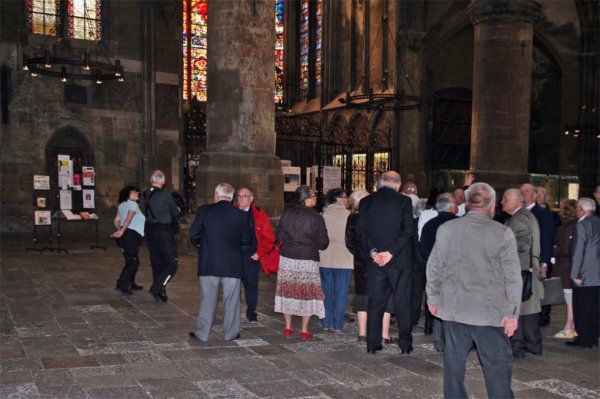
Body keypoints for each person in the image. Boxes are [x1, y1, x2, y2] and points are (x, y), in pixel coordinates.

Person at [426, 182, 521, 398]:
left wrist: (433, 296)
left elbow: (434, 267)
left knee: (454, 363)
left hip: (453, 308)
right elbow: (512, 277)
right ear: (493, 205)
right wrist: (511, 312)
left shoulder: (447, 229)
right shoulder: (502, 233)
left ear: (466, 204)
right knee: (496, 363)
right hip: (487, 312)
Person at [357, 171, 415, 354]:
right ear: (398, 185)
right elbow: (408, 230)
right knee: (402, 302)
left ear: (381, 183)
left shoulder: (366, 202)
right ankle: (405, 344)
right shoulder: (404, 201)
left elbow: (360, 232)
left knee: (375, 303)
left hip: (375, 262)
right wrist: (390, 252)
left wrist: (374, 252)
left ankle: (373, 344)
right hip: (398, 260)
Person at [188, 183, 254, 341]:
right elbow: (246, 240)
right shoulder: (240, 215)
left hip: (209, 262)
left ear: (216, 195)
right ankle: (230, 333)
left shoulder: (205, 211)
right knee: (231, 301)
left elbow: (193, 233)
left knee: (207, 299)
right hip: (232, 264)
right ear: (231, 198)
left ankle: (202, 333)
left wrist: (203, 243)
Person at [275, 185, 329, 341]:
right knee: (307, 293)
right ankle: (304, 330)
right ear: (306, 199)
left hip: (288, 259)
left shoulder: (287, 214)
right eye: (314, 195)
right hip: (307, 260)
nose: (316, 198)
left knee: (287, 291)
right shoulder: (316, 218)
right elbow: (323, 243)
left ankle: (287, 327)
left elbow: (279, 236)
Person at [345, 189, 397, 344]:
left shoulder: (352, 218)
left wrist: (361, 255)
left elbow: (349, 242)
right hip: (379, 261)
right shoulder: (376, 216)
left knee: (363, 296)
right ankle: (384, 334)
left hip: (362, 263)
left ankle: (362, 334)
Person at [502, 188, 543, 358]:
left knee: (517, 309)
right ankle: (532, 345)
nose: (502, 202)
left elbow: (523, 245)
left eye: (505, 199)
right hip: (527, 269)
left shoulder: (518, 219)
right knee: (528, 310)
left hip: (521, 270)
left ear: (515, 201)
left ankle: (518, 346)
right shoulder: (525, 216)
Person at [419, 193, 458, 352]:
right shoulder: (458, 224)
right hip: (455, 270)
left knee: (435, 301)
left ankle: (436, 336)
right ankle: (452, 340)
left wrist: (433, 262)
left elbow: (423, 248)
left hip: (434, 269)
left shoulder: (429, 224)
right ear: (451, 207)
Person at [236, 187, 278, 322]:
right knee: (233, 286)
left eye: (244, 196)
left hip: (251, 256)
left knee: (251, 285)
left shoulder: (259, 215)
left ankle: (251, 312)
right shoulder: (232, 212)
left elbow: (269, 238)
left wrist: (259, 253)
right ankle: (232, 312)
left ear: (251, 199)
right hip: (234, 255)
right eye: (239, 196)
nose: (241, 199)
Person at [566, 197, 600, 349]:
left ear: (580, 209)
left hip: (585, 274)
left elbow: (578, 250)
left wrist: (574, 274)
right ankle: (593, 336)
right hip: (597, 273)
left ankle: (584, 338)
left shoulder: (582, 225)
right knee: (594, 307)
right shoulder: (598, 221)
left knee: (582, 307)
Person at [142, 170, 180, 302]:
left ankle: (160, 292)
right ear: (163, 181)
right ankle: (157, 287)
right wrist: (177, 209)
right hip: (163, 229)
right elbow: (175, 212)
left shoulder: (145, 194)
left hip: (149, 228)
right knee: (171, 263)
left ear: (151, 180)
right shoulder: (165, 195)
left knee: (157, 260)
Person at [319, 188, 353, 331]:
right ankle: (338, 324)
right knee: (341, 293)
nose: (347, 200)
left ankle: (326, 322)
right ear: (339, 199)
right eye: (345, 197)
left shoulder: (322, 215)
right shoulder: (349, 215)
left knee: (326, 292)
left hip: (325, 258)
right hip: (344, 258)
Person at [521, 183, 555, 326]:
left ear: (534, 195)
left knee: (537, 292)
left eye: (527, 191)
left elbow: (547, 238)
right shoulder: (518, 212)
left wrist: (545, 262)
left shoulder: (542, 214)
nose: (523, 193)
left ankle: (538, 320)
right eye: (521, 191)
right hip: (523, 260)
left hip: (536, 259)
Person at [112, 185, 146, 295]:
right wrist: (122, 231)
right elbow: (129, 217)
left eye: (137, 192)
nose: (137, 194)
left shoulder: (122, 205)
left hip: (127, 236)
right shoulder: (133, 204)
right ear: (128, 195)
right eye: (134, 192)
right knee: (133, 262)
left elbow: (116, 220)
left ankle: (130, 283)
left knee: (131, 261)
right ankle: (123, 285)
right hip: (131, 236)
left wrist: (120, 230)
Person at [552, 199, 578, 339]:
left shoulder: (569, 226)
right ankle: (571, 326)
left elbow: (565, 248)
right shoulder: (573, 225)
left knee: (570, 299)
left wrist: (554, 250)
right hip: (568, 265)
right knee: (570, 298)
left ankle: (569, 326)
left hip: (566, 266)